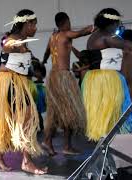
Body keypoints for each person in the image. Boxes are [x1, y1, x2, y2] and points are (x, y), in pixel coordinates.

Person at [0, 9, 47, 175]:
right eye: (34, 24)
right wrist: (11, 44)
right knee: (25, 118)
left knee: (18, 120)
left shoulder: (23, 40)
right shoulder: (13, 40)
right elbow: (5, 46)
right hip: (11, 83)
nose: (36, 28)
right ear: (27, 24)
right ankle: (26, 161)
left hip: (18, 82)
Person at [82, 8, 132, 141]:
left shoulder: (95, 36)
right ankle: (110, 145)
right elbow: (129, 45)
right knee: (114, 113)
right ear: (112, 23)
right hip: (107, 80)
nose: (119, 26)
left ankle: (107, 143)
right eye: (118, 23)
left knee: (105, 115)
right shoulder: (108, 36)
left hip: (95, 80)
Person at [42, 12, 93, 155]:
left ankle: (49, 142)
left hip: (54, 76)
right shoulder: (66, 34)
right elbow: (81, 33)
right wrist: (94, 27)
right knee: (70, 112)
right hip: (63, 77)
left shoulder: (52, 37)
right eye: (69, 22)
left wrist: (44, 61)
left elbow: (46, 52)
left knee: (57, 112)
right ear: (65, 22)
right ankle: (65, 146)